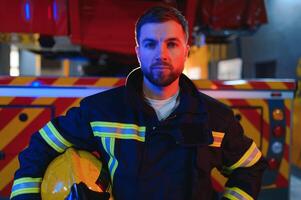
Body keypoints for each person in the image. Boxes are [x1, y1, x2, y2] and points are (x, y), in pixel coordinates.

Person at [10, 5, 267, 200]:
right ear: (138, 52)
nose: (161, 54)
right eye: (150, 44)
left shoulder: (216, 118)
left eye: (172, 44)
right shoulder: (101, 110)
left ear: (186, 51)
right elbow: (41, 147)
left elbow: (250, 167)